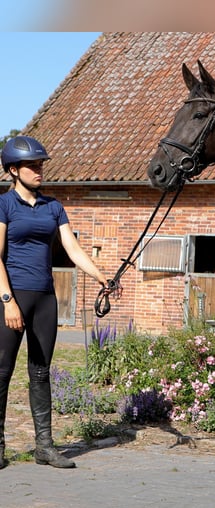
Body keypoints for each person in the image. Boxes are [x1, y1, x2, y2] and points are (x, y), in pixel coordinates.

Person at [0, 135, 109, 469]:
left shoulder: (54, 207)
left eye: (41, 164)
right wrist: (8, 301)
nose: (39, 170)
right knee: (2, 372)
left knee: (40, 371)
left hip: (46, 299)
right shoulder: (4, 205)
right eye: (32, 165)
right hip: (13, 296)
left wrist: (101, 276)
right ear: (14, 170)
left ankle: (44, 447)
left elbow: (72, 250)